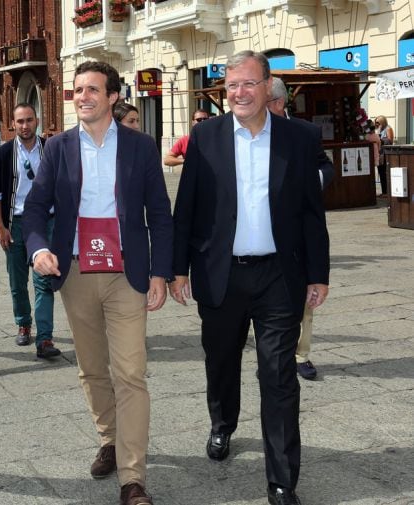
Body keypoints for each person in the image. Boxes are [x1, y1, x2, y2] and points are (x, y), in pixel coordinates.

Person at [170, 51, 330, 505]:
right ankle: (222, 424)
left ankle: (282, 481)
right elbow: (188, 209)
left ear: (267, 87)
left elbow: (311, 215)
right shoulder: (205, 137)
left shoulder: (299, 139)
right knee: (221, 363)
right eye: (231, 85)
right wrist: (178, 269)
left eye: (247, 84)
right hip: (221, 274)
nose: (238, 92)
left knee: (279, 375)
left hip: (280, 275)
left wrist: (318, 274)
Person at [23, 60, 173, 505]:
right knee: (92, 368)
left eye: (91, 89)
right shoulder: (58, 148)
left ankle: (133, 478)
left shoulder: (141, 147)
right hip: (75, 272)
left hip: (128, 273)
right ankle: (109, 437)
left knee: (130, 372)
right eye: (76, 90)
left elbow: (160, 214)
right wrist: (38, 248)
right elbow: (34, 209)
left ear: (112, 97)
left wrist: (161, 271)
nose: (82, 97)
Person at [268, 77, 334, 381]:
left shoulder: (305, 133)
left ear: (278, 103)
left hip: (296, 234)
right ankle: (270, 354)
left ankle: (300, 354)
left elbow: (325, 166)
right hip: (259, 237)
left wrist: (309, 186)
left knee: (304, 298)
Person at [0, 103, 60, 359]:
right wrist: (0, 227)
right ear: (13, 124)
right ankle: (23, 322)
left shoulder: (50, 149)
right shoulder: (4, 153)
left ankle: (45, 338)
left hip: (45, 223)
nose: (25, 126)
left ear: (37, 120)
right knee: (17, 281)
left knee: (43, 281)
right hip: (15, 223)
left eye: (29, 120)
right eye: (20, 121)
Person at [375, 115, 394, 196]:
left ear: (383, 122)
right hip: (379, 154)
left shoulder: (388, 128)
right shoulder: (378, 130)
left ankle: (387, 192)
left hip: (386, 154)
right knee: (381, 173)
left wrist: (380, 140)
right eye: (375, 122)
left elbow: (390, 141)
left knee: (385, 173)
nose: (376, 124)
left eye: (378, 122)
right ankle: (384, 192)